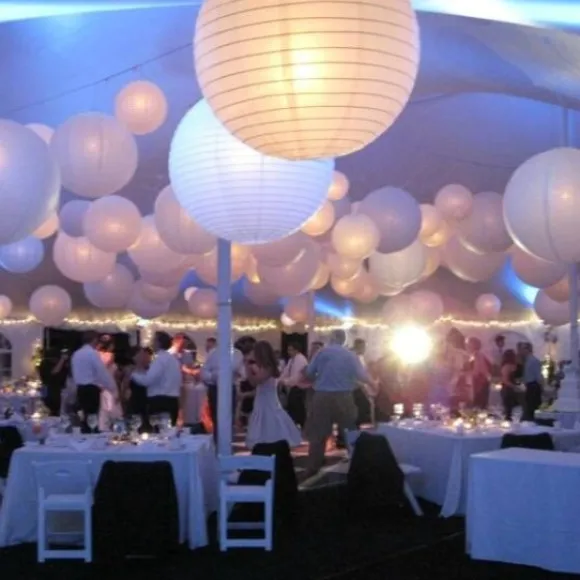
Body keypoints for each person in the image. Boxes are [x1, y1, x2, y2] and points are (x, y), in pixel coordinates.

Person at [303, 329, 376, 477]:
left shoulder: (321, 353)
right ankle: (357, 463)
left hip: (322, 396)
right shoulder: (349, 355)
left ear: (331, 338)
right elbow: (362, 375)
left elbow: (309, 373)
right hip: (344, 396)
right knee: (349, 431)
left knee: (318, 434)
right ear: (344, 340)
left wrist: (321, 377)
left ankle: (313, 466)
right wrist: (373, 384)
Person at [244, 341, 301, 449]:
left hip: (268, 402)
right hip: (263, 400)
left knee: (270, 424)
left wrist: (248, 368)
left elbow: (255, 382)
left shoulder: (268, 367)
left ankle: (271, 447)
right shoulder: (264, 367)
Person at [132, 331, 182, 426]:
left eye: (153, 340)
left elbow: (147, 380)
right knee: (170, 431)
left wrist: (133, 374)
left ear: (158, 343)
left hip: (159, 401)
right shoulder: (174, 360)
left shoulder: (159, 360)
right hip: (173, 401)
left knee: (158, 431)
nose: (151, 343)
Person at [71, 330, 117, 431]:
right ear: (94, 340)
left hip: (80, 389)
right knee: (92, 418)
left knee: (84, 417)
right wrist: (112, 387)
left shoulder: (76, 354)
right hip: (91, 389)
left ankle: (85, 435)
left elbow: (74, 373)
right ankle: (92, 436)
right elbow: (101, 372)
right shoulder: (92, 353)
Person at [201, 336, 245, 441]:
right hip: (215, 389)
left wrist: (238, 376)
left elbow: (243, 373)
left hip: (230, 388)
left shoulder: (237, 354)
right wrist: (214, 376)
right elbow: (204, 372)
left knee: (229, 417)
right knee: (216, 417)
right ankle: (217, 442)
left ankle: (227, 443)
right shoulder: (213, 353)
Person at [279, 342, 309, 427]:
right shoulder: (292, 360)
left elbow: (296, 377)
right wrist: (279, 380)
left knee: (297, 407)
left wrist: (285, 382)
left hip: (299, 387)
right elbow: (285, 372)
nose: (289, 352)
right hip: (294, 386)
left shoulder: (300, 360)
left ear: (296, 350)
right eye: (288, 350)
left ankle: (300, 425)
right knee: (292, 407)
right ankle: (294, 425)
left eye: (291, 350)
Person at [96, 341, 122, 431]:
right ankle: (111, 427)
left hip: (107, 385)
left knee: (106, 407)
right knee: (109, 407)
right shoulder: (109, 355)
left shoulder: (98, 355)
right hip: (109, 385)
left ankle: (106, 427)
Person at [38, 348, 69, 416]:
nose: (56, 361)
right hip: (48, 390)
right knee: (48, 410)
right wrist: (62, 360)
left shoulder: (59, 363)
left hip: (57, 390)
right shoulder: (44, 363)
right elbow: (54, 371)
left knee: (57, 411)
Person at [467, 337, 492, 409]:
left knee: (479, 402)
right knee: (480, 402)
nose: (467, 346)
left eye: (469, 344)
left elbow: (478, 369)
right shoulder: (476, 354)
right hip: (481, 380)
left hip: (480, 381)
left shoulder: (477, 354)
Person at [521, 342, 543, 421]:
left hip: (534, 386)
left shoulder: (534, 361)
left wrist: (541, 386)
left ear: (528, 349)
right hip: (529, 386)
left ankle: (535, 421)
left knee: (533, 406)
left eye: (523, 349)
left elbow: (538, 375)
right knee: (529, 405)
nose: (521, 351)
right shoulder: (527, 360)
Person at [500, 349, 519, 420]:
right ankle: (507, 421)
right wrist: (514, 387)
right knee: (508, 408)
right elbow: (505, 380)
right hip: (507, 389)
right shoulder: (506, 366)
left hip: (511, 388)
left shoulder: (514, 365)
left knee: (511, 407)